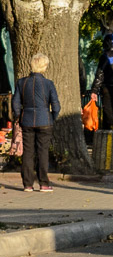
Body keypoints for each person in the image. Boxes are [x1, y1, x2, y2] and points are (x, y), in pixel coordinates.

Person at [13, 52, 60, 192]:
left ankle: (27, 184)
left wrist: (18, 116)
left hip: (27, 120)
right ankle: (44, 183)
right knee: (42, 151)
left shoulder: (22, 82)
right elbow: (56, 106)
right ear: (44, 66)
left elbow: (15, 103)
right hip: (45, 120)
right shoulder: (48, 83)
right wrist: (52, 117)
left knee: (28, 152)